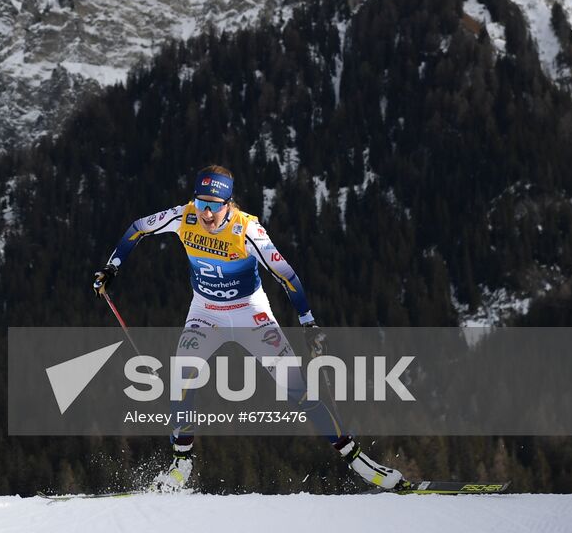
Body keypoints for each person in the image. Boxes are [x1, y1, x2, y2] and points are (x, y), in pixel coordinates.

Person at [92, 164, 404, 492]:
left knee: (297, 388)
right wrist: (112, 267)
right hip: (205, 313)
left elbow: (287, 275)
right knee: (182, 374)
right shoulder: (183, 217)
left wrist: (308, 322)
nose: (206, 214)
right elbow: (137, 228)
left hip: (250, 314)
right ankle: (181, 462)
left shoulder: (247, 231)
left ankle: (357, 460)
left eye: (214, 206)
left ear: (229, 204)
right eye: (201, 204)